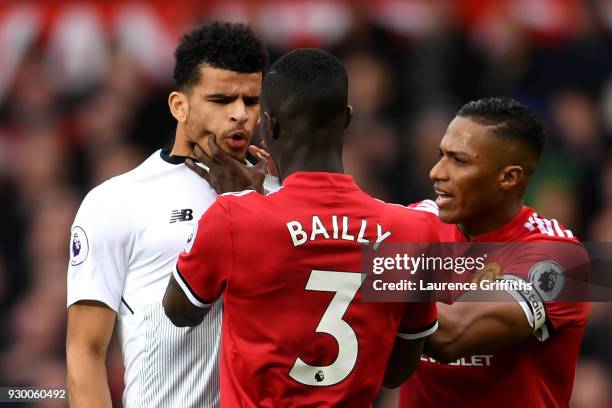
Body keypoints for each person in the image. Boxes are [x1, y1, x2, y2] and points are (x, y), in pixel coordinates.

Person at [163, 48, 439, 407]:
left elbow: (179, 310)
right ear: (347, 119)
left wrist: (246, 199)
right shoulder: (409, 231)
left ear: (269, 125)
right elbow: (398, 370)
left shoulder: (235, 216)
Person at [66, 21, 274, 408]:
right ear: (180, 105)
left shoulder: (281, 198)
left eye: (250, 101)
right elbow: (85, 352)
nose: (239, 115)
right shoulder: (116, 200)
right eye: (220, 100)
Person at [398, 97, 590, 407]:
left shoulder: (562, 259)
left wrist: (372, 277)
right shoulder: (417, 224)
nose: (436, 172)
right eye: (440, 155)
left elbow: (453, 336)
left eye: (459, 161)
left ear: (509, 177)